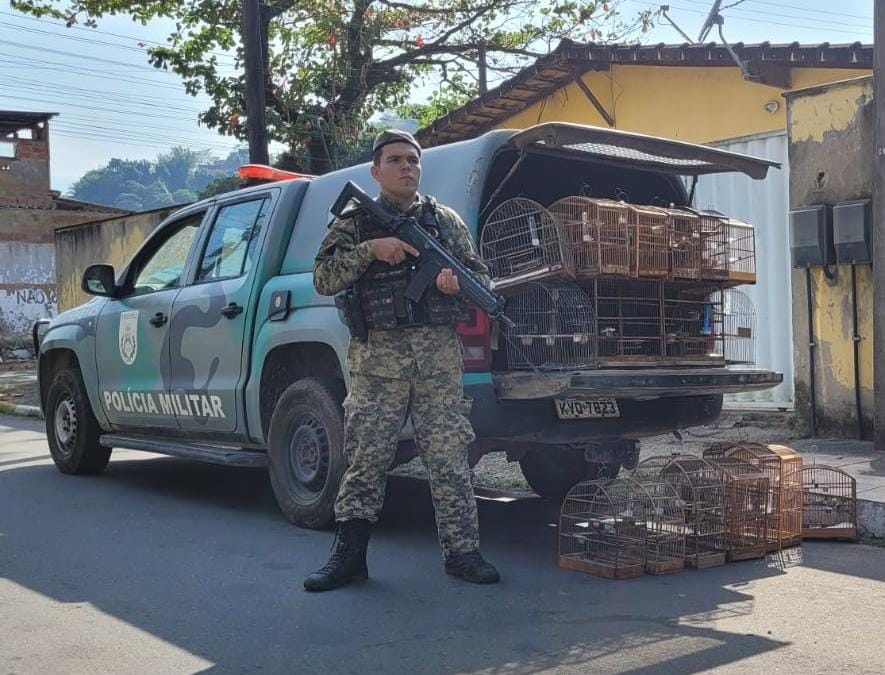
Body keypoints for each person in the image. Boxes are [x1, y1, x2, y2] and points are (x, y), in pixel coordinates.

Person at [304, 129, 500, 592]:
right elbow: (322, 277)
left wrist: (457, 283)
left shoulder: (444, 220)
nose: (407, 166)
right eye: (395, 160)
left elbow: (481, 278)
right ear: (376, 171)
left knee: (450, 456)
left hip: (437, 360)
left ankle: (463, 553)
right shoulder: (355, 222)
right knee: (366, 458)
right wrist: (370, 251)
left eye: (413, 159)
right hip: (378, 362)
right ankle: (348, 556)